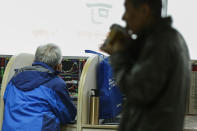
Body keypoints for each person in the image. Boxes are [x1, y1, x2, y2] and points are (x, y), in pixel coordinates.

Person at [100, 0, 191, 131]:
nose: (123, 17)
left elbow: (137, 90)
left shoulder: (160, 44)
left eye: (127, 9)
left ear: (144, 10)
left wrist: (118, 55)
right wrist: (128, 48)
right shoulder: (167, 38)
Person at [2, 43, 76, 131]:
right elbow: (68, 115)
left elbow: (6, 100)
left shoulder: (14, 79)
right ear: (58, 66)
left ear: (35, 60)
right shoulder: (56, 84)